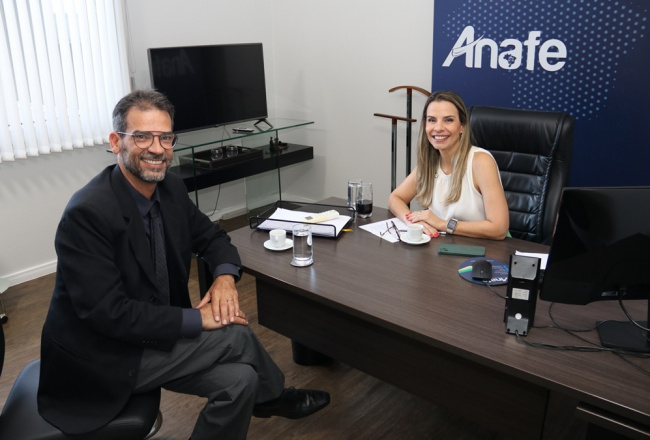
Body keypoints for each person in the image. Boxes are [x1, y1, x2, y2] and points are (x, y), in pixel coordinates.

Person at [37, 89, 330, 440]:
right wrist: (196, 318)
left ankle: (265, 396)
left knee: (241, 381)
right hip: (104, 357)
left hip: (153, 334)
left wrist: (224, 278)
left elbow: (213, 237)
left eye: (165, 137)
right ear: (116, 142)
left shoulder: (171, 189)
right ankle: (275, 398)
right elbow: (109, 315)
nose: (157, 148)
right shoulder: (87, 213)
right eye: (142, 137)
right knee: (234, 334)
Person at [388, 90, 509, 240]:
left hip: (482, 248)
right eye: (432, 120)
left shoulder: (481, 161)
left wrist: (442, 224)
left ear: (462, 126)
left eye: (448, 120)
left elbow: (499, 228)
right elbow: (395, 198)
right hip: (443, 246)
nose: (438, 128)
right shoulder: (429, 162)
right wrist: (412, 221)